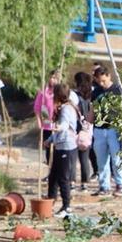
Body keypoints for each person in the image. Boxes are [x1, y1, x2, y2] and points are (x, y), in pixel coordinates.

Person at [91, 66, 122, 196]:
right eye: (99, 81)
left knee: (117, 159)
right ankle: (104, 186)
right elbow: (92, 109)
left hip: (113, 129)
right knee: (101, 160)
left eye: (103, 81)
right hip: (99, 129)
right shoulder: (96, 92)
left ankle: (120, 184)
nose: (101, 84)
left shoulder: (118, 90)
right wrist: (87, 124)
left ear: (109, 76)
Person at [46, 84, 78, 218]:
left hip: (67, 146)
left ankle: (66, 207)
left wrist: (57, 127)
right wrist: (50, 139)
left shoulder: (67, 109)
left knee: (63, 178)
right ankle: (49, 203)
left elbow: (64, 125)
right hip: (60, 145)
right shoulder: (63, 108)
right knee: (53, 176)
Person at [71, 72, 96, 191]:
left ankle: (72, 182)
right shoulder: (92, 94)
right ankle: (84, 183)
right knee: (84, 158)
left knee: (73, 157)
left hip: (75, 129)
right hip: (87, 129)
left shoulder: (74, 95)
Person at [34, 69, 61, 159]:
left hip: (57, 125)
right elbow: (37, 108)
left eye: (55, 78)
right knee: (48, 148)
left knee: (57, 149)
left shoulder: (60, 92)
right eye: (52, 78)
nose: (53, 80)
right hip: (46, 124)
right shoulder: (43, 92)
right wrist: (39, 122)